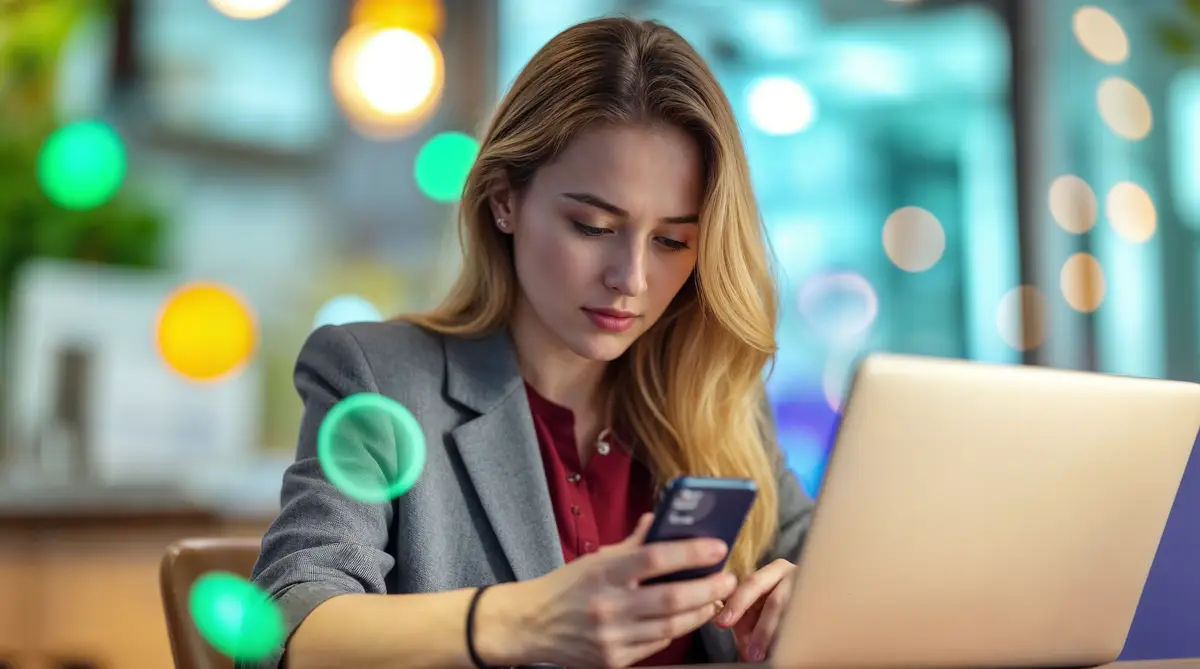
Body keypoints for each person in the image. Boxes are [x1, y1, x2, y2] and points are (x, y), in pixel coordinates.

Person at [245, 15, 814, 669]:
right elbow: (287, 629)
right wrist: (525, 618)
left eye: (670, 241)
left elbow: (833, 563)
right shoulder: (382, 379)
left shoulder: (713, 396)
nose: (629, 278)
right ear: (504, 199)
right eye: (593, 225)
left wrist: (813, 596)